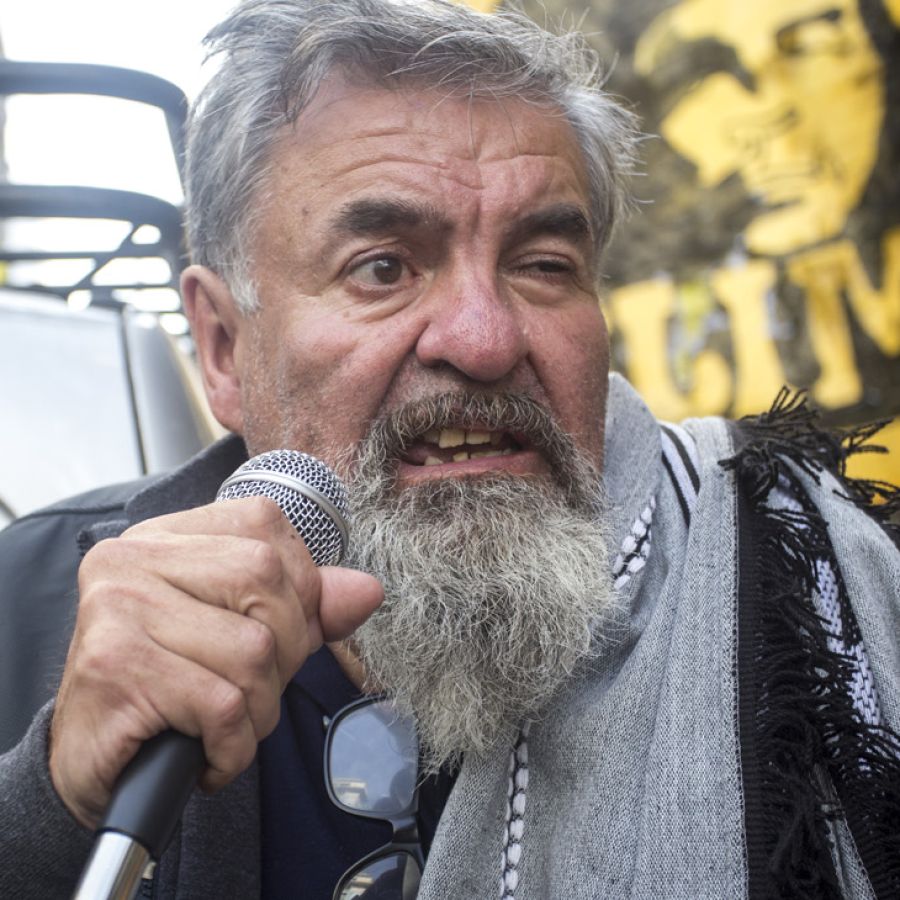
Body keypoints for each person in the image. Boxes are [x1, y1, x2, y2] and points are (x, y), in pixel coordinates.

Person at [0, 1, 898, 898]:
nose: (484, 339)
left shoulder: (806, 596)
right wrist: (51, 801)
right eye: (383, 267)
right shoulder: (31, 605)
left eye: (543, 264)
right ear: (225, 346)